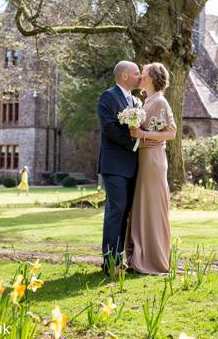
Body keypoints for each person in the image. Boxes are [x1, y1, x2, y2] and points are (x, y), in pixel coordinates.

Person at [125, 62, 176, 275]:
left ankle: (152, 259)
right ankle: (140, 255)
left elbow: (171, 133)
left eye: (143, 74)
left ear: (153, 79)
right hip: (144, 158)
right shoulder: (147, 102)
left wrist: (143, 134)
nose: (140, 77)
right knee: (142, 205)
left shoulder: (160, 102)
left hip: (154, 160)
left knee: (152, 206)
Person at [97, 60, 142, 275]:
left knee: (124, 213)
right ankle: (109, 263)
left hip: (133, 166)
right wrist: (134, 142)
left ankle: (119, 260)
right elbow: (109, 129)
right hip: (114, 165)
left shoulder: (135, 101)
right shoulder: (108, 97)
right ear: (124, 76)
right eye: (136, 73)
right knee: (115, 212)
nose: (140, 77)